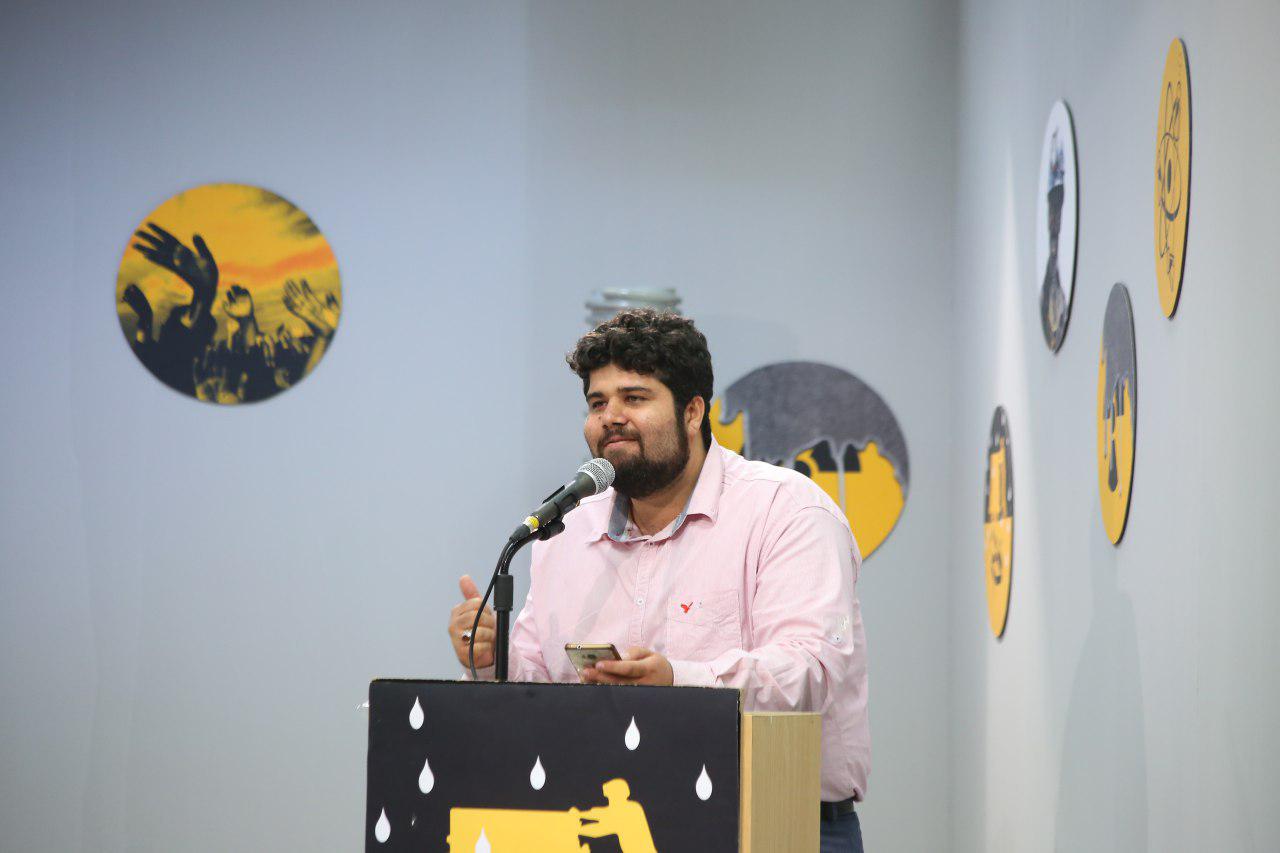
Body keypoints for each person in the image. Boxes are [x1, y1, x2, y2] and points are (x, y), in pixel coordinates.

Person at [447, 309, 869, 852]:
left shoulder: (787, 512)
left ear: (692, 411)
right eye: (597, 403)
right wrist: (492, 656)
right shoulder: (566, 530)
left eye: (634, 398)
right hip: (613, 821)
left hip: (772, 818)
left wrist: (677, 683)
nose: (611, 418)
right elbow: (542, 679)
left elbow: (808, 675)